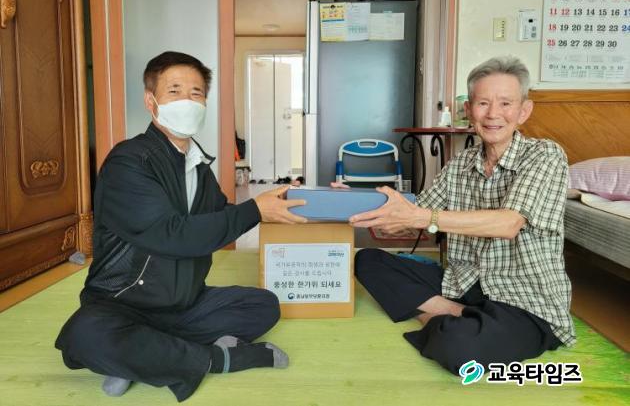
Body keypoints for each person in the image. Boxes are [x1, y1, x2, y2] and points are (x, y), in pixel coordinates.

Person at [55, 51, 307, 402]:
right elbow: (171, 234)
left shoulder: (199, 167)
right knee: (84, 334)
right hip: (123, 304)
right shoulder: (129, 161)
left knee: (263, 306)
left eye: (196, 93)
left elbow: (220, 218)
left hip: (185, 304)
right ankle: (217, 359)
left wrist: (287, 202)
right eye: (174, 91)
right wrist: (254, 210)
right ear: (151, 101)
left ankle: (142, 356)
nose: (187, 101)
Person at [350, 56, 575, 375]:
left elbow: (508, 223)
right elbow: (415, 212)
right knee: (367, 260)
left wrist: (422, 217)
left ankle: (450, 322)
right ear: (469, 110)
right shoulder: (461, 163)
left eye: (505, 103)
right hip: (464, 284)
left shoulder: (546, 155)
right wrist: (350, 199)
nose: (493, 113)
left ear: (524, 111)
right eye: (483, 103)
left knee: (459, 349)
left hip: (525, 299)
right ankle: (457, 313)